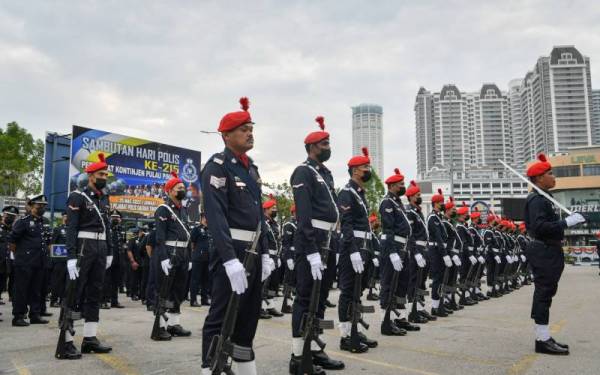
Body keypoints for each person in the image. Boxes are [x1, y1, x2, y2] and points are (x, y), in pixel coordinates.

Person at [201, 97, 274, 375]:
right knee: (220, 315)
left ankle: (245, 370)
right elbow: (217, 218)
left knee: (247, 317)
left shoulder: (251, 168)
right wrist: (229, 259)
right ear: (226, 135)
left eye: (251, 128)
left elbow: (259, 218)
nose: (250, 132)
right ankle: (210, 369)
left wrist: (266, 253)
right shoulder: (217, 167)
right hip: (231, 252)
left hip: (253, 251)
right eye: (243, 129)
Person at [289, 116, 344, 373]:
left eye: (328, 142)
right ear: (312, 147)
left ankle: (315, 348)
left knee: (320, 298)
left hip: (328, 241)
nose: (328, 147)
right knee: (305, 297)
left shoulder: (325, 173)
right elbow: (304, 215)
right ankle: (298, 356)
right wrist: (311, 250)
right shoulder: (303, 172)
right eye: (324, 143)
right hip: (312, 242)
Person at [524, 153, 585, 355]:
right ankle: (542, 340)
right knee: (543, 293)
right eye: (550, 173)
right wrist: (566, 222)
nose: (553, 176)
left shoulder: (545, 198)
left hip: (549, 250)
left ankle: (543, 336)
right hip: (543, 250)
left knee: (547, 293)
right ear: (539, 178)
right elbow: (540, 227)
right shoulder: (536, 200)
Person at [61, 153, 113, 357]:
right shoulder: (77, 196)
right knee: (74, 292)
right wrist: (71, 256)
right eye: (101, 174)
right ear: (90, 175)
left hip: (100, 248)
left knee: (95, 292)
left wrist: (109, 251)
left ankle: (90, 338)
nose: (105, 177)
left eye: (106, 174)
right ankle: (66, 341)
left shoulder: (105, 198)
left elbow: (107, 226)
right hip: (83, 247)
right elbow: (71, 228)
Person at [337, 147, 378, 353]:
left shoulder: (360, 193)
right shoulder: (346, 193)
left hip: (364, 248)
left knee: (357, 292)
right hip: (353, 249)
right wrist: (353, 250)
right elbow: (346, 224)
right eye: (365, 167)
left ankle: (354, 328)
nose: (368, 170)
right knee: (348, 291)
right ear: (355, 171)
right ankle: (345, 335)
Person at [151, 172, 193, 341]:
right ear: (169, 190)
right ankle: (160, 326)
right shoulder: (163, 209)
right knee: (164, 290)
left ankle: (174, 324)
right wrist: (163, 258)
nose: (183, 190)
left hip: (182, 254)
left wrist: (188, 257)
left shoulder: (183, 211)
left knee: (179, 290)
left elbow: (187, 236)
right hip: (169, 253)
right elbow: (159, 237)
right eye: (179, 188)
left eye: (183, 187)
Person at [378, 168, 419, 336]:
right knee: (389, 285)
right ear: (393, 185)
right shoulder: (387, 202)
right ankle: (385, 321)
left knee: (402, 284)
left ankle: (400, 317)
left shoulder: (398, 203)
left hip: (403, 248)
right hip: (393, 248)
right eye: (401, 184)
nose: (403, 186)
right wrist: (393, 252)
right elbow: (388, 230)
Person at [8, 195, 50, 326]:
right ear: (31, 206)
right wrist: (20, 255)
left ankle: (35, 314)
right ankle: (18, 316)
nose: (41, 208)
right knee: (21, 289)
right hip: (25, 262)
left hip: (39, 262)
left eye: (43, 206)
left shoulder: (42, 222)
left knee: (36, 289)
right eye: (39, 205)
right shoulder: (23, 221)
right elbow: (12, 241)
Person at [405, 181, 435, 324]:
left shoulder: (418, 212)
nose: (419, 197)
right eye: (417, 195)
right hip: (416, 249)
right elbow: (410, 234)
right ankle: (412, 310)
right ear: (411, 197)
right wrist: (415, 252)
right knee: (414, 281)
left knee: (421, 281)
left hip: (423, 249)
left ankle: (420, 307)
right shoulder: (409, 212)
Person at [427, 189, 451, 318]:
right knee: (437, 279)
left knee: (441, 278)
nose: (443, 205)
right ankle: (435, 307)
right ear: (436, 203)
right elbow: (438, 237)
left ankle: (439, 305)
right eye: (441, 202)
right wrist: (444, 254)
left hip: (440, 250)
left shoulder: (438, 218)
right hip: (436, 251)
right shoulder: (432, 218)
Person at [261, 195, 284, 318]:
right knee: (264, 283)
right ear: (266, 209)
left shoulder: (274, 223)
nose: (275, 210)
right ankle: (259, 307)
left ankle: (270, 306)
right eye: (272, 208)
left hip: (275, 256)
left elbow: (278, 241)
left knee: (273, 284)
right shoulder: (263, 222)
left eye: (275, 207)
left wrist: (278, 256)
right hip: (267, 256)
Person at [102, 211, 125, 309]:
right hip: (108, 259)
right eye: (113, 217)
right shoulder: (106, 229)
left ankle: (114, 301)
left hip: (118, 259)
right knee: (106, 280)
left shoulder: (120, 230)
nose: (115, 219)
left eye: (117, 217)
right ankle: (103, 300)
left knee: (116, 281)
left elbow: (122, 245)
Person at [189, 214, 212, 307]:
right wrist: (194, 255)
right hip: (198, 258)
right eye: (205, 217)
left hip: (208, 258)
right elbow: (192, 244)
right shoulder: (196, 229)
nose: (206, 219)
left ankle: (204, 299)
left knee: (206, 280)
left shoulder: (211, 229)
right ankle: (193, 300)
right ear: (201, 218)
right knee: (195, 280)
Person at [0, 206, 19, 308]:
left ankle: (12, 296)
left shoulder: (14, 230)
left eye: (13, 216)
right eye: (9, 215)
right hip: (1, 261)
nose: (10, 218)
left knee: (5, 284)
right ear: (4, 215)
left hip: (10, 261)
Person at [50, 212, 68, 307]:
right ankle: (53, 300)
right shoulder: (58, 229)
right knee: (57, 281)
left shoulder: (73, 229)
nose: (67, 218)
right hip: (59, 259)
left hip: (69, 260)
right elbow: (52, 244)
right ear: (63, 217)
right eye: (65, 216)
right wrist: (53, 260)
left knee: (66, 282)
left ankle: (62, 300)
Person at [127, 228, 145, 301]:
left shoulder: (144, 239)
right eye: (142, 232)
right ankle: (133, 294)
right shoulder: (132, 240)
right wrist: (133, 261)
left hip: (142, 263)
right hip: (135, 262)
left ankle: (140, 294)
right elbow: (129, 250)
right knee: (134, 279)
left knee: (142, 280)